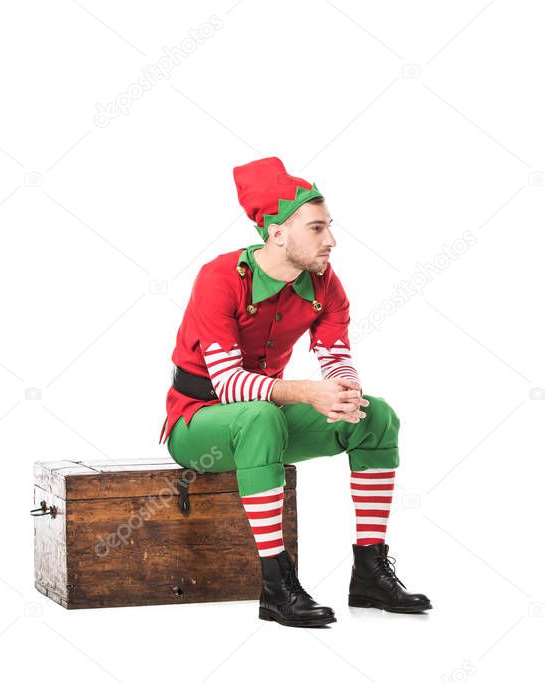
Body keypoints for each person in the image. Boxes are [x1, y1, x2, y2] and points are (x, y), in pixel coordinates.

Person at [159, 156, 431, 627]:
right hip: (198, 422)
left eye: (330, 227)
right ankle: (276, 587)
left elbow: (336, 353)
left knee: (376, 415)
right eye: (317, 228)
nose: (331, 240)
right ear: (277, 232)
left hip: (266, 416)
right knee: (260, 416)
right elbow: (226, 383)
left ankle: (369, 572)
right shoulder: (220, 278)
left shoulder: (324, 283)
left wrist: (344, 390)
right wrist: (309, 392)